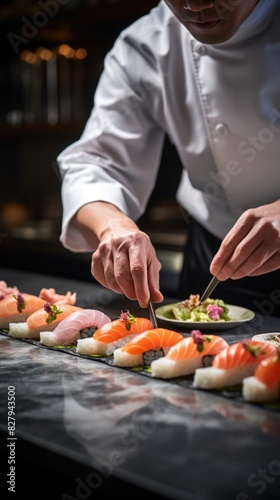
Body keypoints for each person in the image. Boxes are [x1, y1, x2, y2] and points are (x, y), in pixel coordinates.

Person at [57, 0, 280, 316]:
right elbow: (96, 162)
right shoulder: (146, 44)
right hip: (217, 260)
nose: (194, 4)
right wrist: (112, 228)